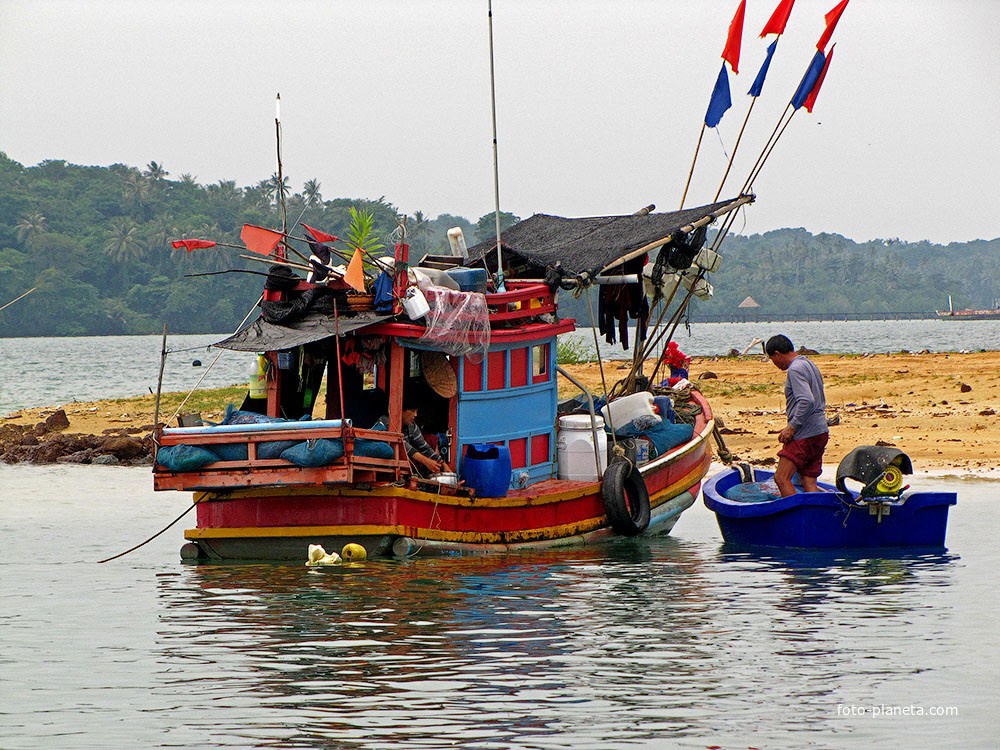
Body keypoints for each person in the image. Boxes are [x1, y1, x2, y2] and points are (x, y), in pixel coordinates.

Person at [765, 334, 828, 497]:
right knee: (808, 481)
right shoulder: (809, 364)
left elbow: (807, 400)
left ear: (778, 354)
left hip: (805, 435)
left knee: (781, 478)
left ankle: (796, 517)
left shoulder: (795, 369)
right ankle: (812, 517)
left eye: (773, 360)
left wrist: (791, 428)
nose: (775, 365)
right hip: (820, 431)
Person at [378, 398, 449, 476]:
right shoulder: (386, 422)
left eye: (416, 411)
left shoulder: (412, 426)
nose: (415, 415)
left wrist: (443, 464)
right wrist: (426, 461)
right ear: (401, 410)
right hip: (383, 467)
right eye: (412, 411)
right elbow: (404, 446)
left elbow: (424, 447)